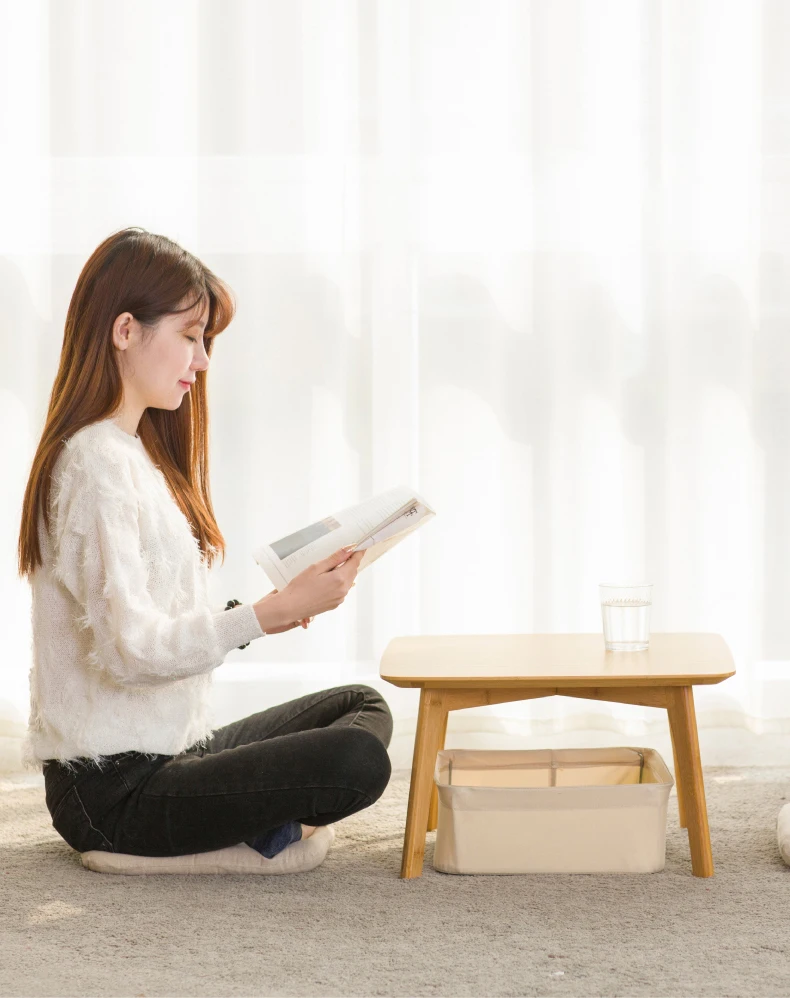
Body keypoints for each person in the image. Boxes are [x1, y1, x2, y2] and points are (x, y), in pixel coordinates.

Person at [16, 226, 393, 873]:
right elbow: (130, 652)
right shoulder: (92, 464)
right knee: (355, 762)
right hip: (110, 788)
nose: (204, 360)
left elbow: (155, 625)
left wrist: (276, 601)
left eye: (206, 341)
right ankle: (205, 837)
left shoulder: (132, 455)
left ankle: (242, 824)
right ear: (126, 330)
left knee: (362, 706)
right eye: (190, 336)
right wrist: (268, 615)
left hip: (171, 749)